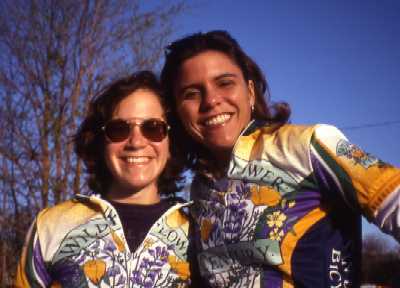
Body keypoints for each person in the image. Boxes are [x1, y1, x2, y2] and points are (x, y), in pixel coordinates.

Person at [160, 30, 400, 287]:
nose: (211, 100)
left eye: (224, 83)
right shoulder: (199, 189)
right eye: (191, 94)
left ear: (250, 91)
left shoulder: (308, 144)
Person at [15, 71, 193, 287]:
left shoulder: (199, 235)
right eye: (118, 129)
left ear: (170, 142)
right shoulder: (50, 226)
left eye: (153, 128)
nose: (136, 142)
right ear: (100, 142)